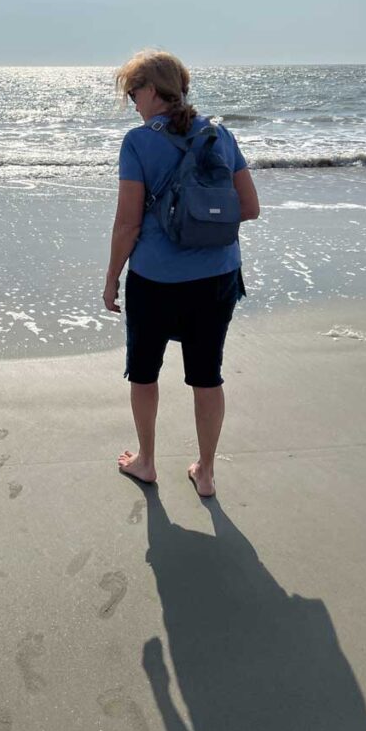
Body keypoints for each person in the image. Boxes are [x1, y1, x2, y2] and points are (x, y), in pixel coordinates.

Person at [103, 49, 259, 497]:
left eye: (133, 92)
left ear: (152, 90)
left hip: (155, 279)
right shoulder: (220, 134)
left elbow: (128, 223)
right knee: (207, 375)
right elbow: (249, 207)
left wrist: (112, 277)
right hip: (217, 277)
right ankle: (206, 472)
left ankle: (147, 462)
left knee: (145, 373)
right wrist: (200, 220)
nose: (133, 102)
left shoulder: (137, 142)